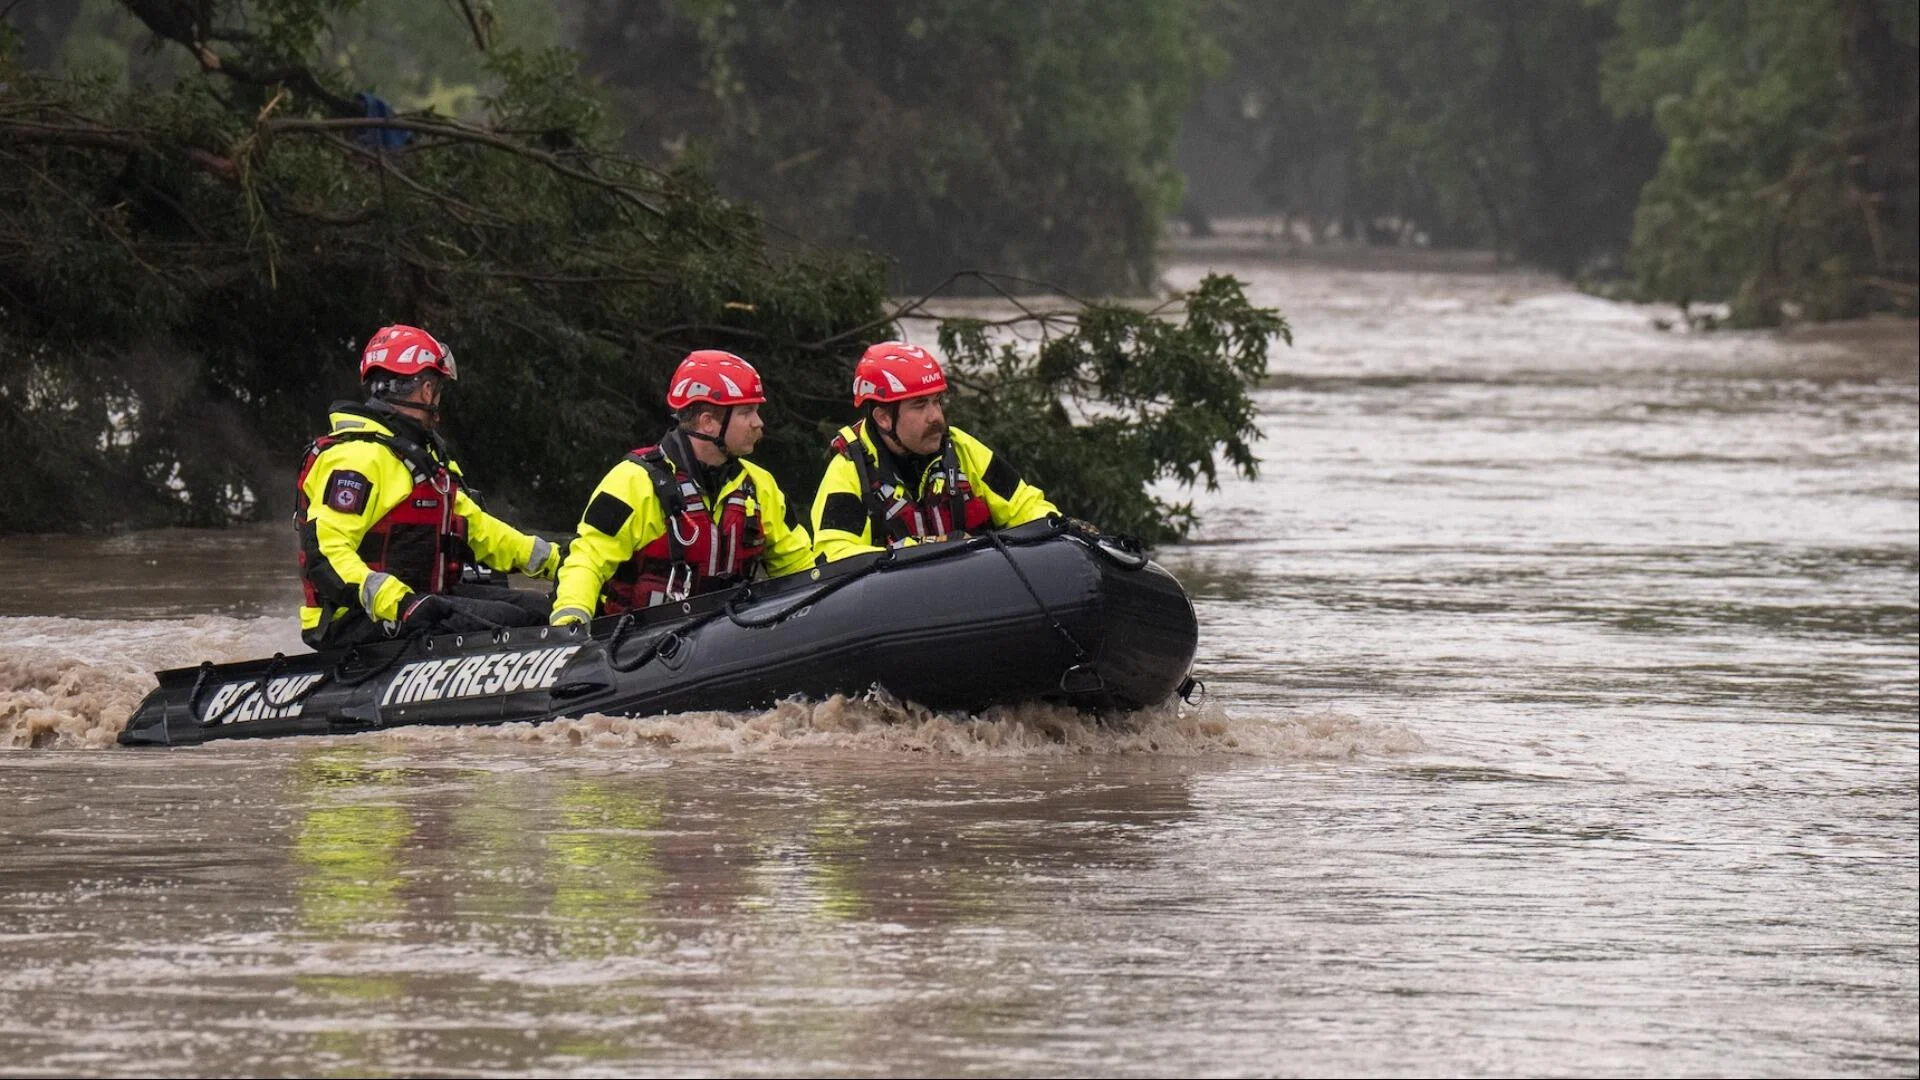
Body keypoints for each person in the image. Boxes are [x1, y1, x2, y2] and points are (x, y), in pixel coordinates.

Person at [296, 324, 561, 648]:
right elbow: (326, 551)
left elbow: (478, 530)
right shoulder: (358, 458)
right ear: (425, 390)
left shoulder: (422, 459)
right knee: (519, 621)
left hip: (420, 602)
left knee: (541, 608)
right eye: (437, 389)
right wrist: (399, 603)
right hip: (360, 619)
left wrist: (557, 561)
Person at [548, 350, 812, 625]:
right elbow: (587, 558)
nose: (759, 423)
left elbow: (800, 567)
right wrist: (571, 621)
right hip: (634, 643)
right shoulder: (633, 481)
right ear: (708, 422)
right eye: (747, 412)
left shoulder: (760, 486)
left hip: (726, 637)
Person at [810, 340, 1058, 564]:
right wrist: (923, 548)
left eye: (937, 401)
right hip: (896, 604)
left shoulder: (962, 448)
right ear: (884, 418)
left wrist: (1055, 527)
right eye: (919, 405)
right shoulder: (850, 471)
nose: (936, 417)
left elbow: (1026, 506)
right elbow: (835, 555)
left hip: (976, 591)